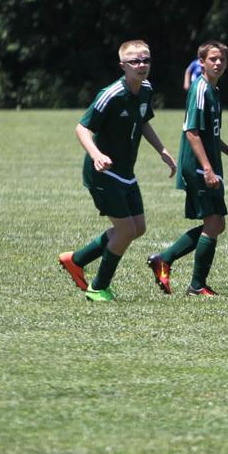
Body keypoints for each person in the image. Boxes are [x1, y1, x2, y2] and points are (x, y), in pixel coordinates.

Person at [60, 40, 177, 302]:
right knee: (125, 231)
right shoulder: (111, 94)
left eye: (145, 60)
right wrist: (96, 155)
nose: (141, 65)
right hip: (102, 173)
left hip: (125, 172)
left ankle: (76, 260)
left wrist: (162, 150)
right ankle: (98, 287)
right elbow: (81, 128)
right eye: (134, 61)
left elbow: (143, 121)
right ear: (123, 66)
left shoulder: (146, 89)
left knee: (138, 228)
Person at [147, 40, 228, 296]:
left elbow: (211, 134)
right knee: (214, 222)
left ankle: (165, 259)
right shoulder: (200, 89)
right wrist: (207, 169)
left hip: (208, 165)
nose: (218, 63)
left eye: (222, 59)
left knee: (216, 223)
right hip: (199, 167)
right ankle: (196, 284)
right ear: (201, 63)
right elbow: (191, 132)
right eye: (213, 59)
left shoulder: (214, 90)